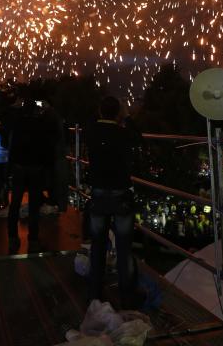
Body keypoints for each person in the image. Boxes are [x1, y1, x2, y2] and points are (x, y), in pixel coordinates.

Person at [85, 96, 141, 308]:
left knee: (97, 244)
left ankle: (94, 293)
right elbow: (139, 139)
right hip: (121, 195)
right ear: (118, 112)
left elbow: (91, 121)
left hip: (98, 194)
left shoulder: (91, 132)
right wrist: (126, 117)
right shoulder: (124, 133)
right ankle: (127, 295)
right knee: (124, 247)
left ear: (100, 112)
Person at [5, 99, 56, 253]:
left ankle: (13, 238)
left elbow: (4, 121)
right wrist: (49, 108)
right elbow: (55, 135)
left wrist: (12, 106)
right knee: (34, 205)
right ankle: (33, 239)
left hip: (19, 168)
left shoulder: (16, 123)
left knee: (15, 204)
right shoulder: (42, 123)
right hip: (36, 169)